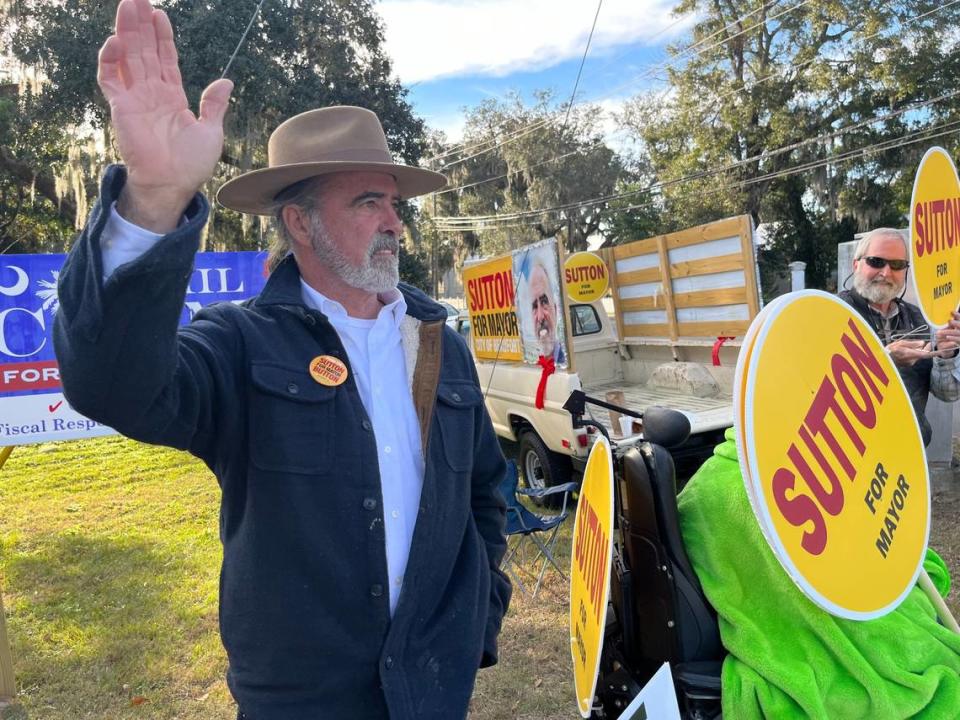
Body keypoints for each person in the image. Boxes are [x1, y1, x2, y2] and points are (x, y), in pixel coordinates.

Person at [52, 1, 510, 719]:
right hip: (300, 702)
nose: (394, 221)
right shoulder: (240, 344)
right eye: (368, 202)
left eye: (394, 203)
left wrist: (476, 622)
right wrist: (155, 199)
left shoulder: (438, 346)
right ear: (299, 221)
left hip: (433, 690)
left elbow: (486, 492)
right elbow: (111, 386)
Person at [838, 227, 960, 446]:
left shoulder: (920, 318)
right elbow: (815, 388)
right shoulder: (834, 312)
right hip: (852, 458)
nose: (886, 273)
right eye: (876, 261)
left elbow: (947, 394)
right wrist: (883, 359)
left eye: (897, 265)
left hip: (907, 452)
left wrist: (947, 354)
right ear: (856, 264)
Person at [528, 261, 566, 364]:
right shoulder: (530, 365)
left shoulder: (565, 362)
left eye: (544, 302)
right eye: (535, 306)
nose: (540, 317)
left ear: (555, 309)